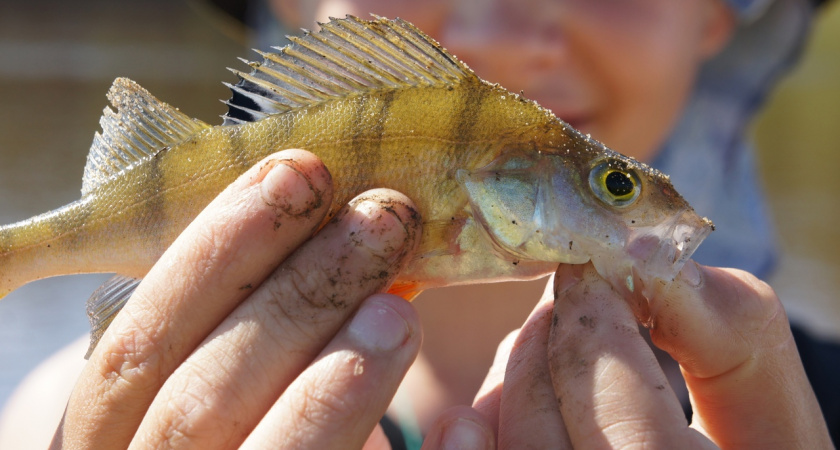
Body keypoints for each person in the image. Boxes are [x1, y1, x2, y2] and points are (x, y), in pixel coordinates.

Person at [1, 0, 836, 448]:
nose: (498, 32)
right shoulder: (57, 421)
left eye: (612, 185)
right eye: (615, 186)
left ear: (719, 17)